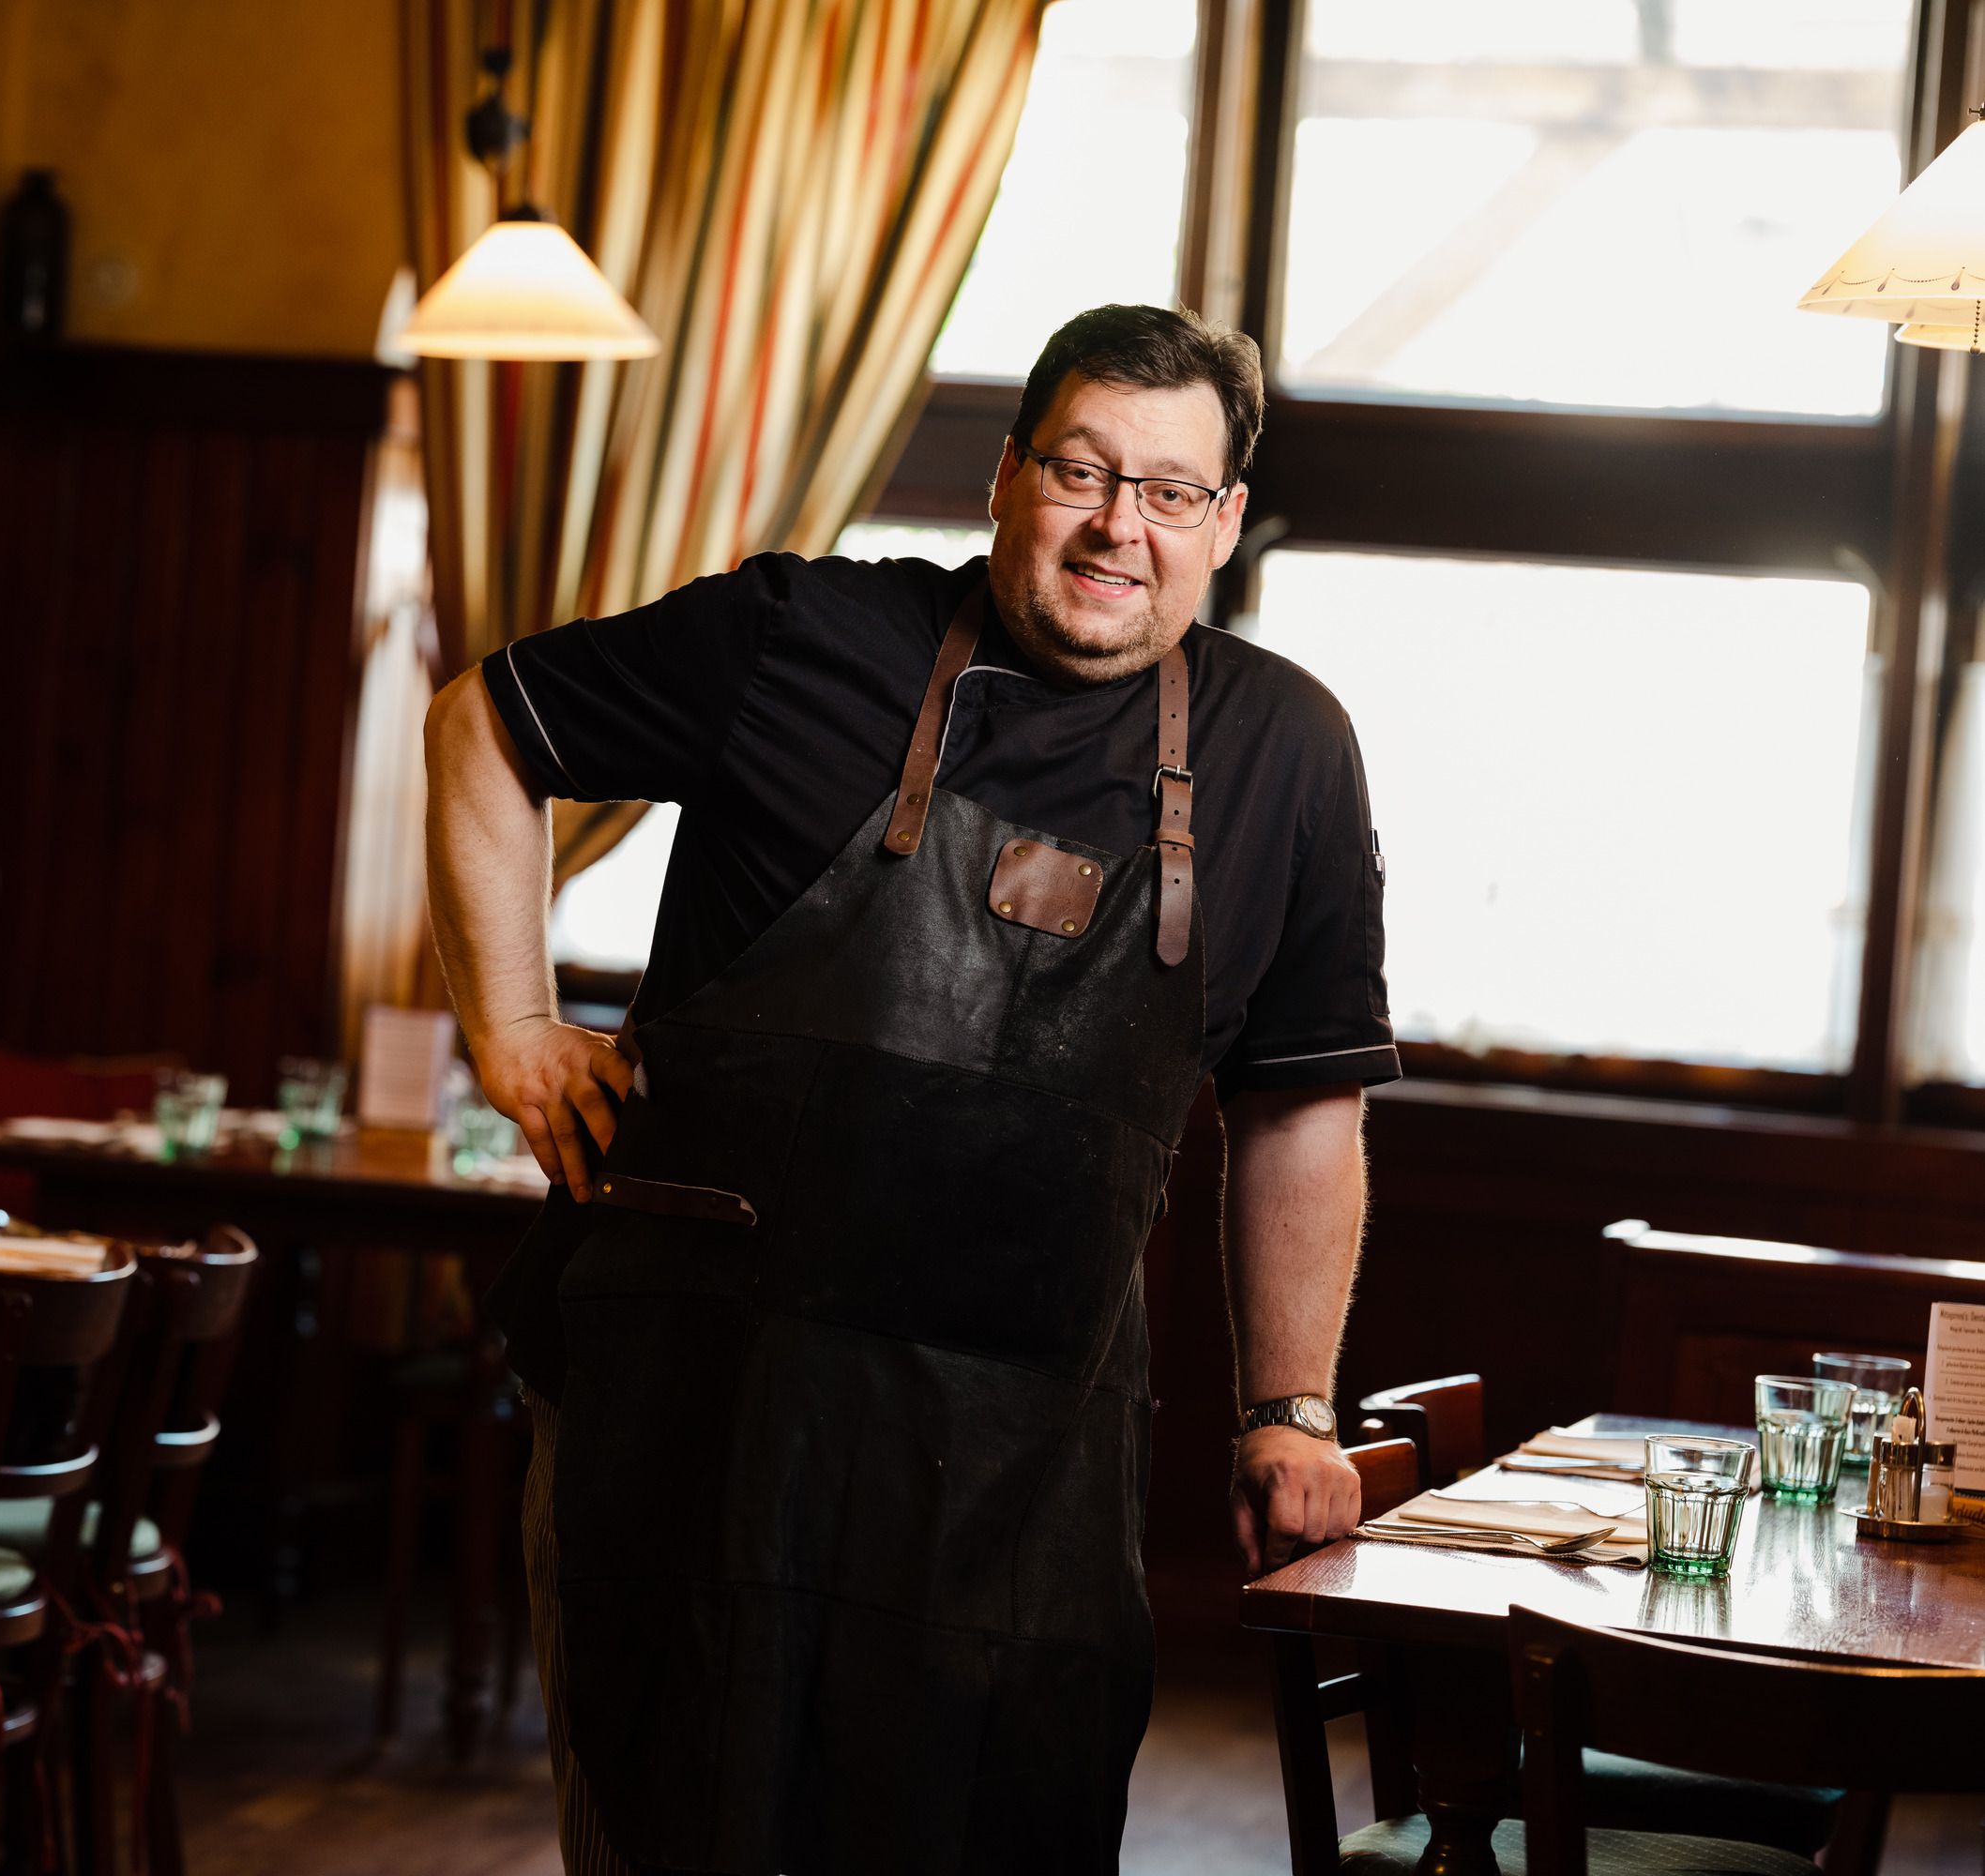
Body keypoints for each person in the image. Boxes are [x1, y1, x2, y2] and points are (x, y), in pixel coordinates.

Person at [423, 303, 1395, 1875]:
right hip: (699, 1420)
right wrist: (514, 1023)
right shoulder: (798, 633)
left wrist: (1287, 1412)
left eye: (1166, 491)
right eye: (1080, 472)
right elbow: (485, 722)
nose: (1118, 526)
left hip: (1026, 1458)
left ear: (1220, 524)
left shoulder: (1282, 748)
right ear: (1005, 476)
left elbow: (1298, 1103)